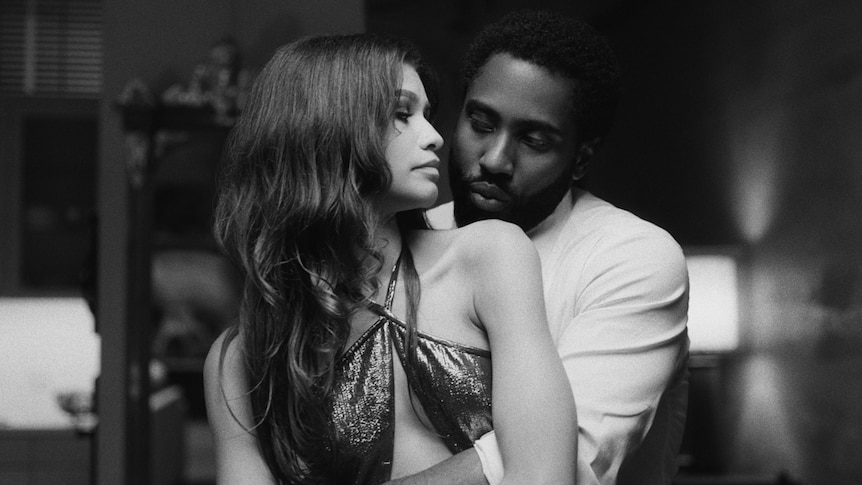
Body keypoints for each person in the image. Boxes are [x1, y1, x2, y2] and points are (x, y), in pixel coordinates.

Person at [203, 33, 577, 484]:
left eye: (427, 115)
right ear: (328, 127)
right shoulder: (240, 359)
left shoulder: (491, 257)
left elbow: (544, 475)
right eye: (403, 114)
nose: (436, 137)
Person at [417, 9, 691, 485]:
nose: (495, 160)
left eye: (534, 139)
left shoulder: (631, 258)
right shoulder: (409, 232)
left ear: (580, 158)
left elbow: (564, 460)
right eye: (481, 123)